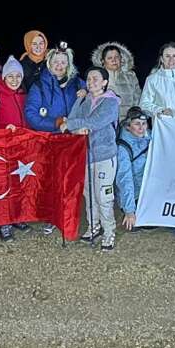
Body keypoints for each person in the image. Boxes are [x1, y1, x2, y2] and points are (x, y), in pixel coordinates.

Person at [62, 67, 122, 251]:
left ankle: (109, 231)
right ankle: (93, 225)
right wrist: (79, 101)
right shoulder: (85, 100)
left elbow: (96, 121)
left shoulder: (111, 103)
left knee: (103, 195)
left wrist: (70, 125)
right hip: (86, 155)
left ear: (104, 82)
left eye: (96, 78)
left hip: (104, 155)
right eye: (89, 78)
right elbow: (73, 118)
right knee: (89, 193)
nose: (91, 82)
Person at [0, 56, 34, 242]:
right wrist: (5, 129)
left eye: (17, 76)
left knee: (19, 183)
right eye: (10, 76)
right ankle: (4, 222)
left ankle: (17, 217)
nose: (14, 80)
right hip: (1, 149)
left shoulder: (25, 96)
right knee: (3, 186)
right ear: (3, 78)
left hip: (21, 149)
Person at [26, 45, 85, 136]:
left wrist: (87, 92)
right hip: (49, 138)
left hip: (75, 137)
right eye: (55, 62)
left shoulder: (78, 83)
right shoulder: (39, 86)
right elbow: (31, 114)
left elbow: (96, 95)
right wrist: (55, 123)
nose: (59, 65)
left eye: (63, 62)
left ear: (68, 65)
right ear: (49, 63)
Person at [91, 41, 142, 120]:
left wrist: (133, 118)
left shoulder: (131, 76)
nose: (114, 60)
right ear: (103, 61)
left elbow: (137, 98)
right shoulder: (96, 78)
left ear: (121, 59)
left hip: (128, 123)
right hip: (105, 123)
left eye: (116, 57)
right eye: (109, 58)